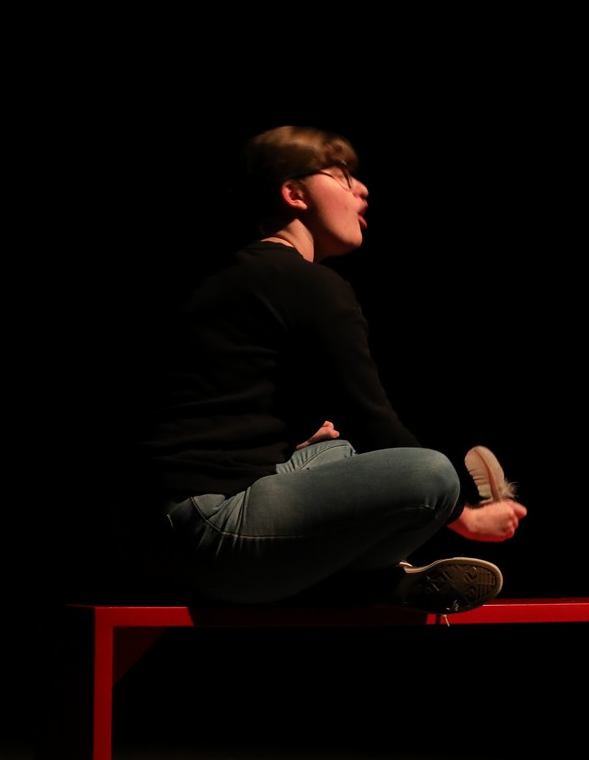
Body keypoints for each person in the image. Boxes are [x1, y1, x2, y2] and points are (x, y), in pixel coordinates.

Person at [105, 124, 526, 611]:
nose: (362, 190)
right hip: (211, 532)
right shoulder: (309, 283)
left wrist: (295, 440)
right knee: (433, 474)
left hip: (156, 530)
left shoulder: (235, 274)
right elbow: (375, 422)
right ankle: (369, 583)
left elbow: (213, 410)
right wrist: (465, 517)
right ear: (294, 193)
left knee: (335, 453)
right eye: (343, 177)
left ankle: (362, 581)